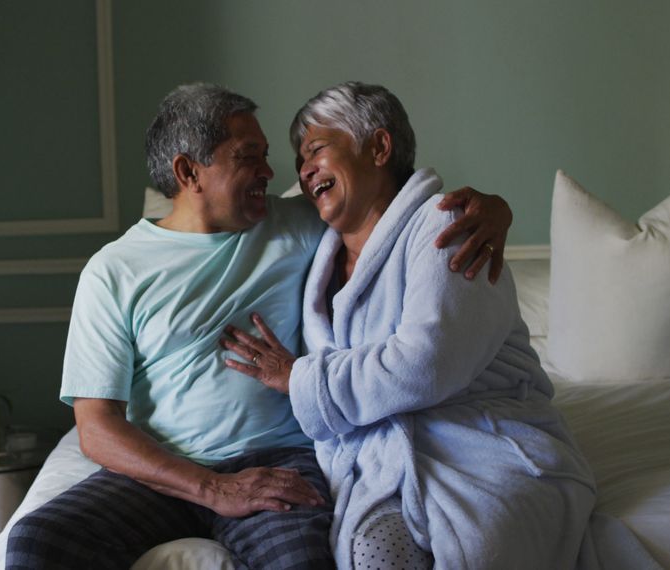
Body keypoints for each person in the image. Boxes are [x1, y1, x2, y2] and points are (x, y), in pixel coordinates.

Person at [5, 83, 514, 569]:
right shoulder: (112, 271)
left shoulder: (301, 223)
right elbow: (96, 430)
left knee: (301, 562)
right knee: (37, 541)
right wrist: (212, 487)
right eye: (248, 156)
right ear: (188, 172)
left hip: (280, 459)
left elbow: (389, 209)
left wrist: (493, 210)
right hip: (163, 471)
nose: (271, 172)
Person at [223, 82, 596, 569]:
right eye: (299, 161)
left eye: (316, 150)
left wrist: (297, 377)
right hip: (377, 462)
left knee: (481, 550)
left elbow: (426, 361)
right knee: (367, 551)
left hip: (478, 446)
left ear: (379, 147)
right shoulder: (314, 244)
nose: (303, 170)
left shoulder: (450, 228)